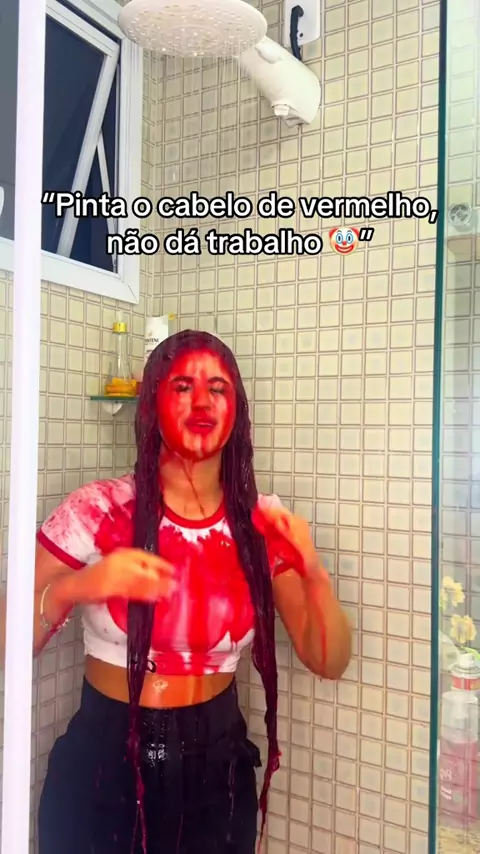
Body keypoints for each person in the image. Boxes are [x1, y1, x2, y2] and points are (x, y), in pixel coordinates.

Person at [25, 329, 351, 854]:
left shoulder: (261, 524)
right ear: (152, 403)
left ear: (237, 410)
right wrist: (77, 587)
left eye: (217, 388)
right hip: (102, 765)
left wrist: (313, 570)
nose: (202, 401)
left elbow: (328, 660)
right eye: (182, 386)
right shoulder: (96, 509)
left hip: (216, 774)